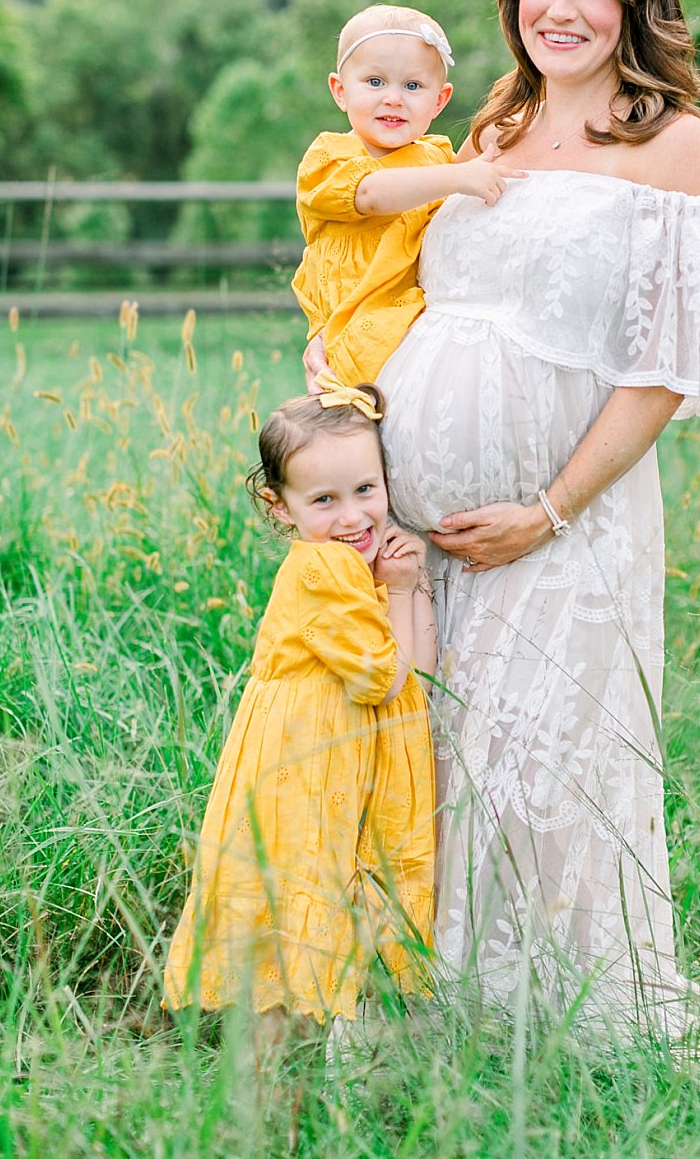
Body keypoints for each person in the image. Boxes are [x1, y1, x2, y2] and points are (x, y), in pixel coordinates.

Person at [371, 0, 700, 1033]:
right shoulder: (484, 132)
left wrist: (545, 509)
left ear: (634, 2)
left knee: (540, 762)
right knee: (438, 756)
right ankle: (445, 1000)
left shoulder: (670, 144)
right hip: (420, 534)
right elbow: (412, 292)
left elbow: (665, 368)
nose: (563, 8)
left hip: (565, 522)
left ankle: (580, 1019)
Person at [163, 382, 437, 1049]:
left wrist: (404, 589)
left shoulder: (348, 563)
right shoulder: (324, 571)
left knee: (324, 878)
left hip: (336, 752)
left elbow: (420, 669)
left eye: (366, 490)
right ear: (277, 505)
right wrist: (399, 588)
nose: (353, 516)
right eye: (324, 500)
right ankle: (270, 1051)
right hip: (306, 756)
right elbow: (383, 675)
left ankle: (334, 1033)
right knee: (298, 879)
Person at [292, 3, 525, 387]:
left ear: (440, 100)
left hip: (422, 322)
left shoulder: (436, 155)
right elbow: (370, 194)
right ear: (340, 91)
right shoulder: (329, 158)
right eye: (375, 82)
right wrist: (457, 176)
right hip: (358, 331)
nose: (394, 99)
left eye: (413, 86)